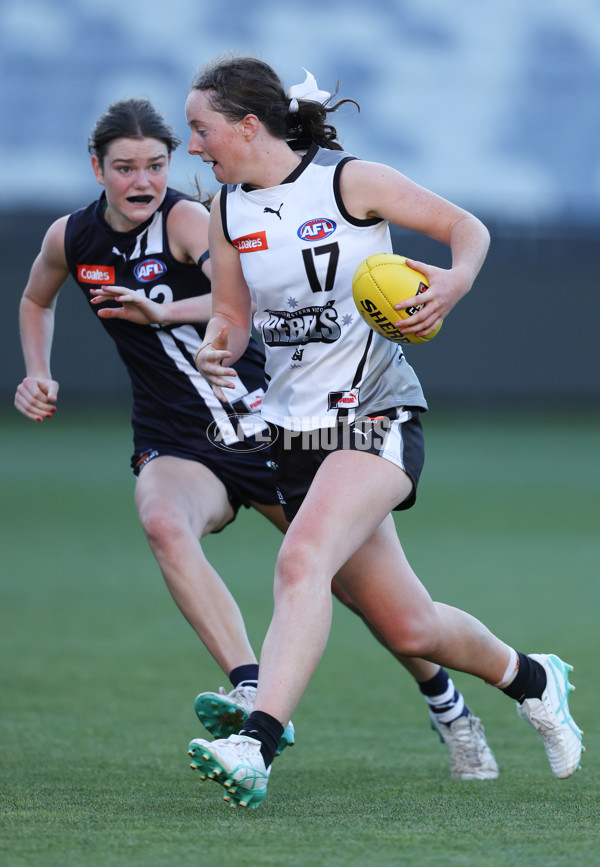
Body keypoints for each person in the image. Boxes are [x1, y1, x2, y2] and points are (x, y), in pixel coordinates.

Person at [14, 96, 499, 780]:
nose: (143, 180)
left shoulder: (192, 220)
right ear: (97, 169)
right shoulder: (73, 238)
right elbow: (36, 298)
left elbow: (237, 304)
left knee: (360, 591)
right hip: (175, 434)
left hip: (259, 425)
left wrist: (163, 311)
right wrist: (38, 371)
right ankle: (250, 685)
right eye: (125, 167)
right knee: (162, 522)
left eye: (157, 163)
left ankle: (447, 703)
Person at [186, 56, 583, 809]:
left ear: (246, 123)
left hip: (377, 408)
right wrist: (220, 342)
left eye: (200, 129)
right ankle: (535, 678)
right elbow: (232, 315)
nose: (193, 146)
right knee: (409, 626)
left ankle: (255, 744)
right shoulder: (228, 211)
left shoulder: (347, 181)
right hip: (293, 432)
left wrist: (455, 281)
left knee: (301, 561)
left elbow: (466, 228)